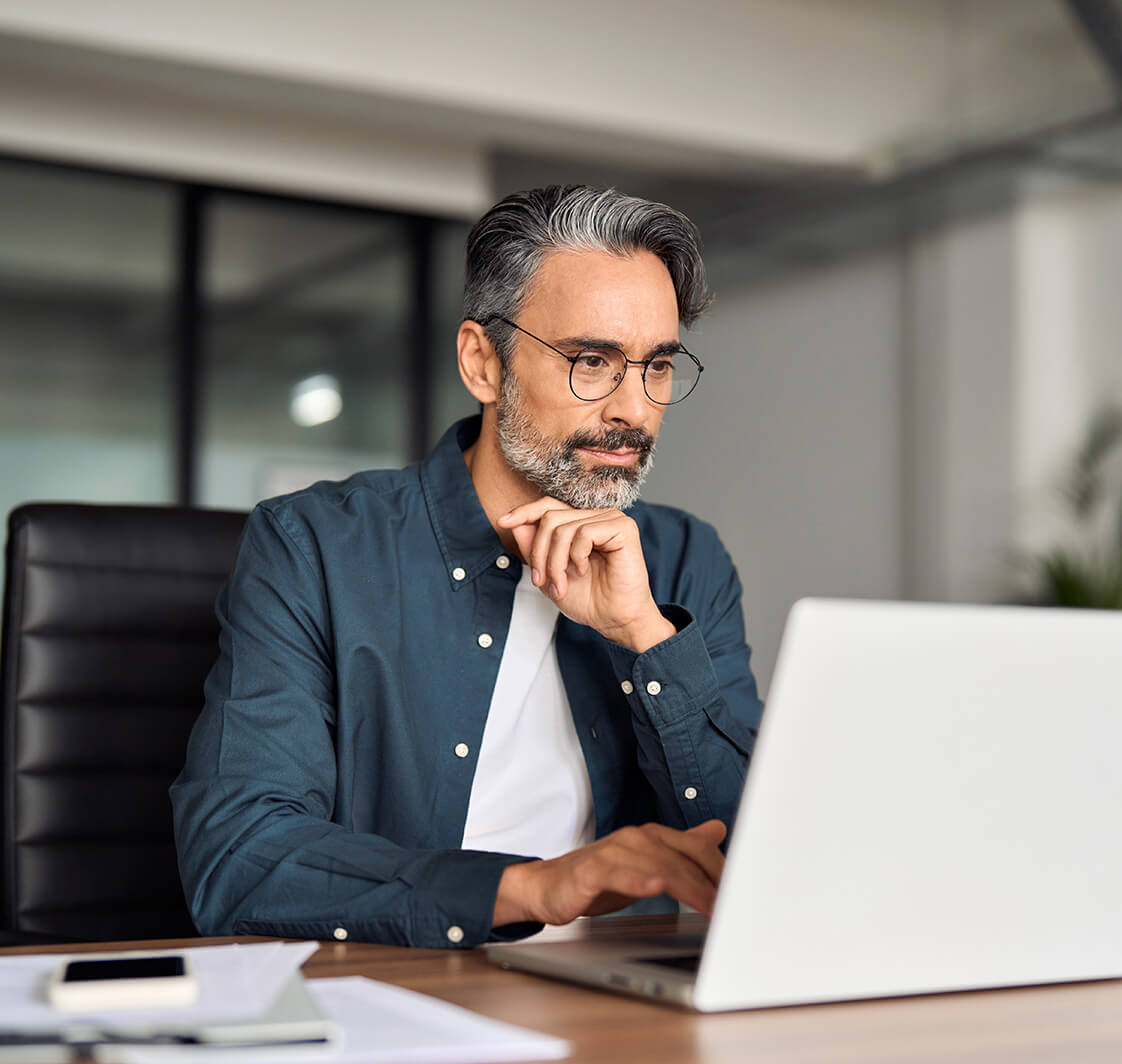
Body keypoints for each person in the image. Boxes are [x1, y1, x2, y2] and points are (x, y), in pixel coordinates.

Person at [171, 185, 764, 948]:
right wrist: (534, 886)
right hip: (405, 991)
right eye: (592, 361)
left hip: (625, 1006)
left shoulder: (686, 560)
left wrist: (645, 635)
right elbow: (237, 857)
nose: (634, 408)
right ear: (483, 363)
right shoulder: (315, 545)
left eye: (656, 367)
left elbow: (758, 855)